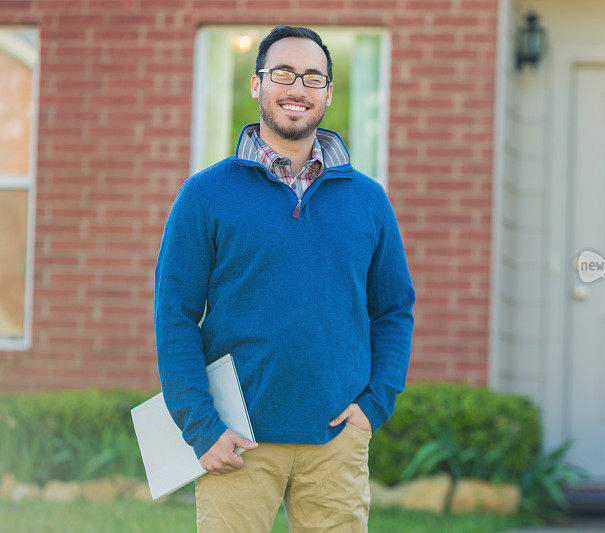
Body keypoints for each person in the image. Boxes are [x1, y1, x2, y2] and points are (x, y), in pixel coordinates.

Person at [153, 25, 415, 532]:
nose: (298, 88)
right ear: (257, 85)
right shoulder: (205, 195)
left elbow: (393, 309)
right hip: (235, 440)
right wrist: (202, 428)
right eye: (283, 74)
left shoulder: (368, 200)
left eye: (313, 77)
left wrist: (376, 402)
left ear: (329, 94)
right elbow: (175, 315)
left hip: (336, 442)